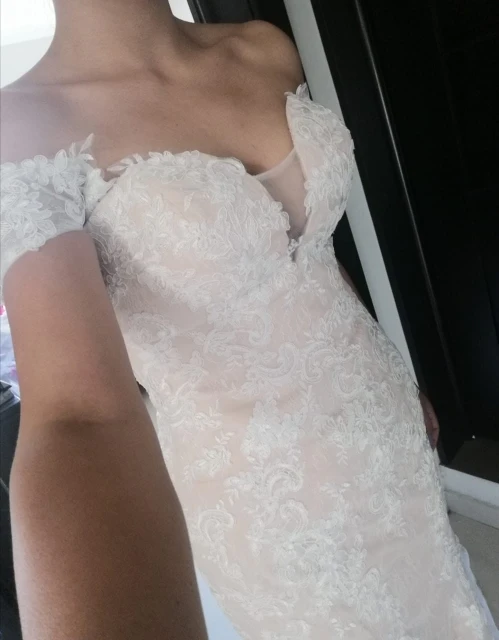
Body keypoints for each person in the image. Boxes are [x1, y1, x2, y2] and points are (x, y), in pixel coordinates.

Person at [0, 1, 496, 638]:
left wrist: (395, 378)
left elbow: (307, 252)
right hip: (267, 499)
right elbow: (79, 417)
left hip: (384, 428)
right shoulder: (22, 128)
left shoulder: (264, 48)